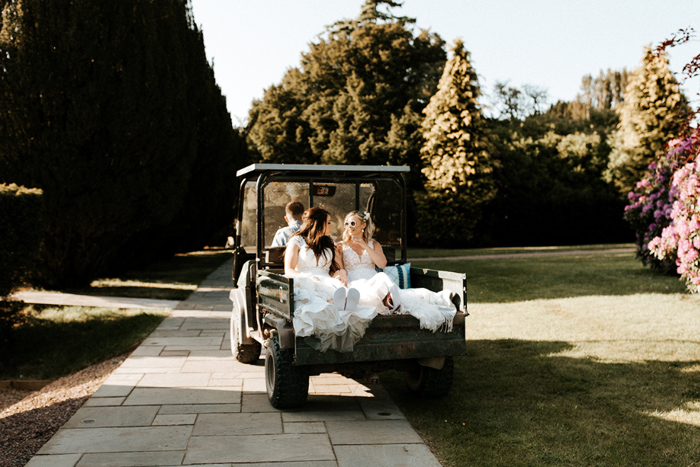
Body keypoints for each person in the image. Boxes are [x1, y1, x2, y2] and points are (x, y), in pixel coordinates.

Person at [335, 210, 457, 332]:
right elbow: (340, 268)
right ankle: (390, 304)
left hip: (373, 279)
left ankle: (391, 301)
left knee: (381, 277)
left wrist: (365, 246)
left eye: (352, 223)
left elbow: (381, 264)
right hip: (355, 281)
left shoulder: (374, 244)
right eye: (346, 223)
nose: (349, 226)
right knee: (363, 290)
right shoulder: (341, 246)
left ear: (363, 225)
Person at [284, 207, 378, 352]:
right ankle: (332, 304)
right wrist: (306, 277)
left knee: (336, 288)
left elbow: (337, 268)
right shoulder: (297, 241)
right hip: (303, 277)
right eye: (328, 222)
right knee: (313, 292)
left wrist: (341, 273)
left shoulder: (329, 243)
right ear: (317, 223)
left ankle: (340, 303)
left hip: (325, 278)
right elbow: (289, 270)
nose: (331, 225)